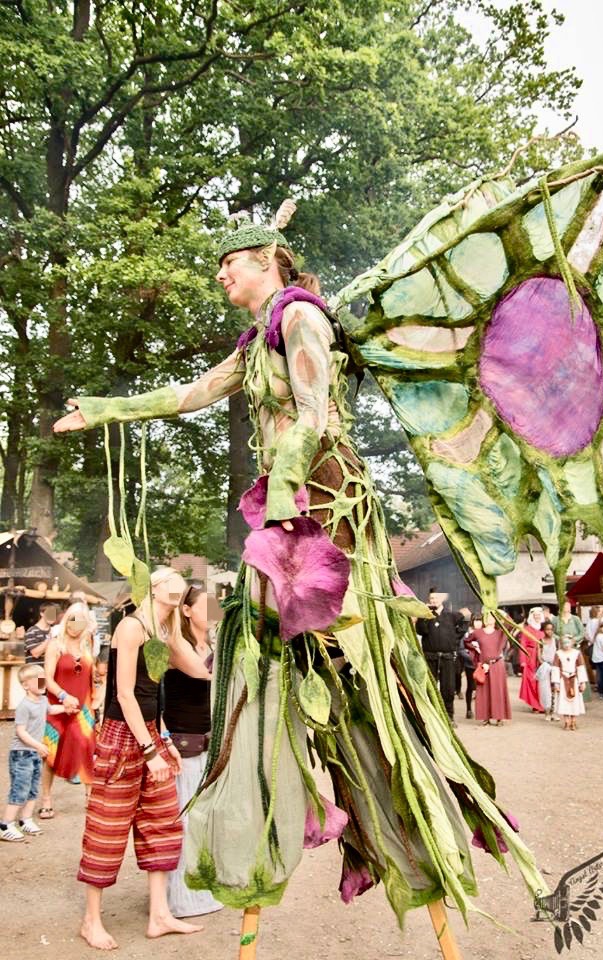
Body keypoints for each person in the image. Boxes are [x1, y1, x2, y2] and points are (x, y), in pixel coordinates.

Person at [54, 206, 546, 924]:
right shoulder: (256, 343)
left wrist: (284, 493)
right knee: (268, 662)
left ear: (266, 259)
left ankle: (407, 816)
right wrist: (106, 409)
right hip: (286, 512)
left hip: (323, 503)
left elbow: (313, 413)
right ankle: (303, 808)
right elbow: (190, 395)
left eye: (229, 262)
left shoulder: (302, 318)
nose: (220, 275)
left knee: (354, 669)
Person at [76, 567, 206, 950]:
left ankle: (159, 915)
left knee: (163, 822)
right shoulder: (132, 627)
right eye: (171, 581)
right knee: (107, 826)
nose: (179, 586)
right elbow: (125, 694)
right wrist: (150, 751)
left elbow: (195, 674)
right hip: (122, 735)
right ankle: (91, 920)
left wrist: (162, 740)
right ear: (154, 586)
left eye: (182, 585)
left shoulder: (163, 632)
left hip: (150, 731)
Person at [164, 582, 222, 918]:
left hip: (207, 742)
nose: (214, 612)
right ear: (186, 610)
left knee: (205, 820)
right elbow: (204, 674)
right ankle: (181, 899)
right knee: (185, 821)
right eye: (206, 606)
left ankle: (204, 889)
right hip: (182, 744)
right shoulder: (177, 643)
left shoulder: (210, 644)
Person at [41, 602, 98, 817]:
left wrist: (96, 696)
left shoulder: (87, 644)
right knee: (51, 753)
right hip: (58, 706)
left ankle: (90, 796)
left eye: (81, 621)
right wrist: (64, 697)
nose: (76, 626)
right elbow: (47, 679)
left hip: (83, 707)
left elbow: (92, 674)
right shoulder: (55, 645)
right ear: (66, 620)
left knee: (86, 747)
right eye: (73, 620)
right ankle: (46, 798)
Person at [0, 665, 65, 841]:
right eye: (38, 680)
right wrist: (38, 745)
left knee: (32, 789)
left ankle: (25, 820)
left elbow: (51, 710)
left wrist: (66, 708)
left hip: (35, 753)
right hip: (21, 754)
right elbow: (21, 732)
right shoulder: (24, 706)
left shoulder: (43, 701)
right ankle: (6, 824)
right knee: (20, 789)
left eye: (43, 679)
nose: (42, 682)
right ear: (25, 685)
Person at [416, 590, 465, 723]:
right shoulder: (426, 615)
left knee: (448, 688)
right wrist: (424, 614)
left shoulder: (451, 615)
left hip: (447, 657)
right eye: (431, 598)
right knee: (430, 687)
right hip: (430, 657)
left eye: (436, 598)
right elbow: (420, 630)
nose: (433, 600)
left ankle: (449, 716)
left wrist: (454, 639)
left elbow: (465, 621)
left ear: (442, 599)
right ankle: (431, 716)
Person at [466, 611, 511, 726]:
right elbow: (467, 641)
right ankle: (485, 717)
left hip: (497, 664)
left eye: (492, 617)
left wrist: (499, 612)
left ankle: (499, 717)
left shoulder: (500, 632)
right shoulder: (478, 632)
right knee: (484, 691)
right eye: (487, 616)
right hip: (484, 665)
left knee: (498, 690)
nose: (489, 619)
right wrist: (476, 651)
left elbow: (510, 623)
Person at [551, 635, 588, 730]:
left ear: (572, 643)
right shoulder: (558, 653)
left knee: (575, 701)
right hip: (563, 679)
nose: (566, 645)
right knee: (564, 701)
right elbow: (555, 668)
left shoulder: (577, 653)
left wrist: (582, 682)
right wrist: (556, 683)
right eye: (564, 643)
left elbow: (580, 667)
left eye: (568, 642)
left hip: (574, 680)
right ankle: (567, 721)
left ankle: (573, 721)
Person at [518, 608, 544, 713]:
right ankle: (535, 705)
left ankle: (542, 704)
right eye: (535, 615)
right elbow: (522, 645)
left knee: (542, 682)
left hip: (542, 657)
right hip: (530, 658)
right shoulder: (527, 629)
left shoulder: (543, 628)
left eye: (539, 615)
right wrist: (523, 661)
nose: (537, 617)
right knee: (532, 681)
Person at [537, 621, 558, 721]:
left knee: (555, 689)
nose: (549, 631)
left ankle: (554, 712)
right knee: (545, 689)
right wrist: (545, 664)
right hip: (545, 666)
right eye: (547, 629)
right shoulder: (540, 641)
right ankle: (547, 711)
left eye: (551, 629)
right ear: (544, 630)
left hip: (555, 666)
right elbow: (539, 656)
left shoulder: (556, 641)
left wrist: (556, 665)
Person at [459, 613, 479, 720]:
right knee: (471, 687)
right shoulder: (467, 633)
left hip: (483, 664)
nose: (478, 623)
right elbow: (461, 649)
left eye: (480, 620)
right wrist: (471, 658)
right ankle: (469, 709)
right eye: (476, 620)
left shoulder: (485, 632)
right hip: (470, 665)